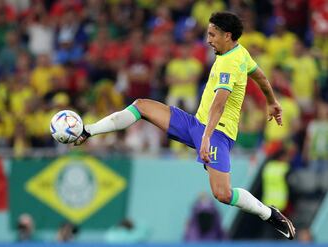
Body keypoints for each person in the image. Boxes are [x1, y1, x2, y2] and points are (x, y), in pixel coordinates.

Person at [74, 12, 295, 240]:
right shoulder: (239, 52)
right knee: (141, 106)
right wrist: (271, 101)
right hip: (196, 124)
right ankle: (88, 130)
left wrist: (206, 138)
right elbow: (260, 76)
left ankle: (268, 213)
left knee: (223, 194)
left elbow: (219, 104)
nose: (208, 40)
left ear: (227, 35)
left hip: (217, 133)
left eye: (212, 35)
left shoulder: (229, 63)